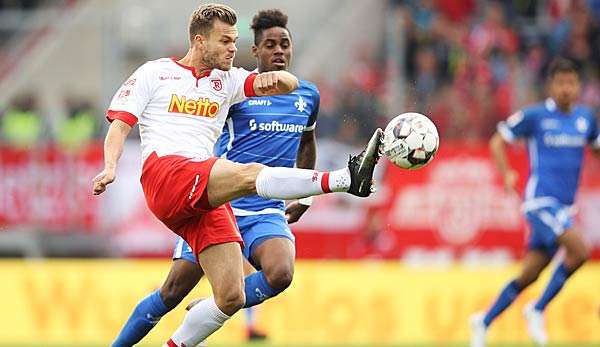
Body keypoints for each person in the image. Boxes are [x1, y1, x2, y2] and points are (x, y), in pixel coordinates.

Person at [92, 4, 382, 347]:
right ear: (200, 42)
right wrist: (110, 165)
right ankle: (345, 179)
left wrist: (280, 79)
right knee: (251, 175)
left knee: (231, 296)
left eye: (235, 41)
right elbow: (121, 125)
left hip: (206, 195)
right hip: (166, 174)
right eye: (226, 41)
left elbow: (283, 85)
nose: (233, 48)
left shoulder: (228, 81)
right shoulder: (154, 73)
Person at [470, 57, 600, 347]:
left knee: (530, 274)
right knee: (580, 251)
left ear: (579, 86)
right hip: (540, 202)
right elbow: (496, 142)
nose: (566, 88)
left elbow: (596, 149)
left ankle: (484, 320)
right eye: (561, 82)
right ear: (550, 86)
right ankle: (538, 308)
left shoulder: (586, 119)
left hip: (565, 207)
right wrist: (506, 174)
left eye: (571, 82)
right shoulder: (536, 116)